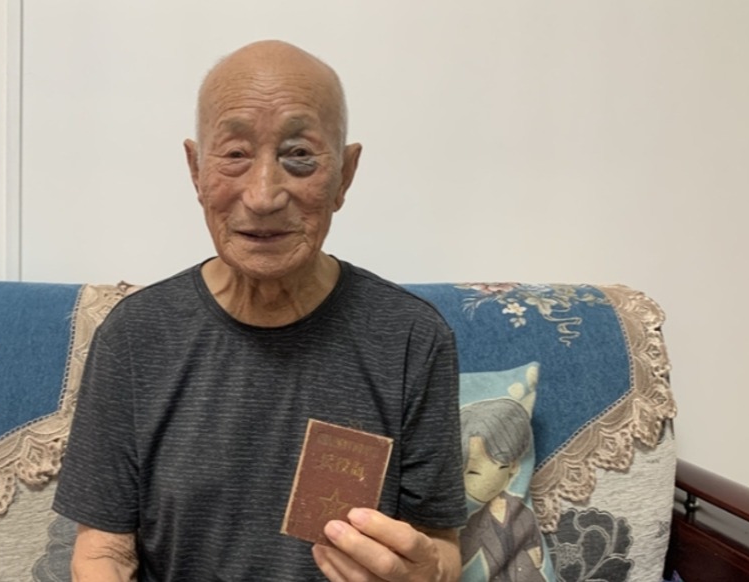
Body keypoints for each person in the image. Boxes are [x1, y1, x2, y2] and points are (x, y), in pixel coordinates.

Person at [52, 39, 466, 581]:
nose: (263, 195)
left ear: (345, 174)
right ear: (196, 170)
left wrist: (426, 572)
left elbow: (440, 545)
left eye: (299, 155)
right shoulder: (135, 336)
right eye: (235, 155)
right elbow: (102, 553)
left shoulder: (411, 337)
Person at [459, 398, 546, 582]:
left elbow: (534, 549)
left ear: (513, 466)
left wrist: (534, 556)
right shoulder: (471, 523)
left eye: (474, 471)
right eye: (471, 471)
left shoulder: (521, 512)